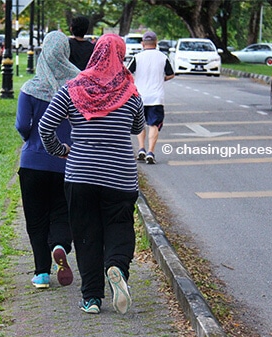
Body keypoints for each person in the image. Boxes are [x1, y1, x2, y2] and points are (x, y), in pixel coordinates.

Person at [39, 34, 145, 314]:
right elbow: (138, 127)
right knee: (119, 226)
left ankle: (92, 298)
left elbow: (45, 127)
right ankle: (116, 266)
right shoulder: (131, 93)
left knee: (86, 234)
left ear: (94, 54)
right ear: (121, 56)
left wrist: (61, 150)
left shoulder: (71, 89)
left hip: (81, 173)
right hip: (120, 176)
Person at [16, 31, 80, 289]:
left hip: (33, 162)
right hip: (67, 161)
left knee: (36, 218)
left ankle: (42, 273)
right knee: (62, 212)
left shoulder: (30, 88)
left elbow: (22, 125)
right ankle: (60, 245)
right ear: (66, 52)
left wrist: (31, 140)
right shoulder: (77, 86)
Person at [127, 31, 175, 164]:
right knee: (154, 124)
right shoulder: (162, 57)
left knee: (139, 123)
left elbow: (127, 73)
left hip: (139, 96)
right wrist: (161, 79)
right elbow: (171, 74)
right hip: (156, 97)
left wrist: (136, 81)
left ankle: (141, 149)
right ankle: (150, 152)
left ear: (143, 43)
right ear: (156, 42)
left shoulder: (137, 57)